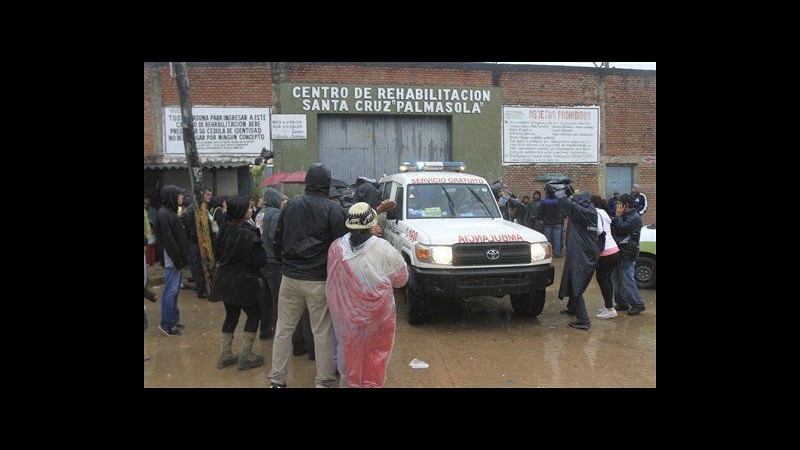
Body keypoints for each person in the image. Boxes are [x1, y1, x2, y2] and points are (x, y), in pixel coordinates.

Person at [268, 163, 348, 388]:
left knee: (284, 329)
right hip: (318, 280)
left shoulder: (290, 205)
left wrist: (285, 264)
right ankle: (323, 381)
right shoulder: (333, 210)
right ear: (327, 184)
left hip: (290, 278)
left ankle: (277, 380)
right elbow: (340, 247)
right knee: (321, 332)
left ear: (307, 182)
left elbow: (278, 239)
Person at [326, 202, 408, 387]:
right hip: (378, 320)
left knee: (351, 356)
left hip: (348, 320)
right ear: (372, 224)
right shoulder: (384, 249)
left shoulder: (336, 248)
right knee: (375, 358)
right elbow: (401, 280)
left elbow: (333, 285)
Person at [212, 196, 268, 370]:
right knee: (254, 314)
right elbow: (260, 260)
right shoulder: (246, 233)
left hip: (224, 280)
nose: (251, 210)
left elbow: (218, 255)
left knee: (231, 315)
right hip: (244, 282)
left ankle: (225, 355)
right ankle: (245, 356)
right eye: (249, 208)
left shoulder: (223, 230)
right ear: (241, 211)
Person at [550, 183, 600, 330]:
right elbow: (570, 206)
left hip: (583, 254)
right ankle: (573, 309)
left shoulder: (587, 213)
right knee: (572, 280)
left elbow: (569, 206)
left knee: (577, 284)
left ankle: (584, 321)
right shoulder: (585, 211)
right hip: (579, 252)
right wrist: (568, 195)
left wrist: (561, 193)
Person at [153, 185, 189, 336]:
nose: (181, 197)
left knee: (174, 292)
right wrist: (178, 260)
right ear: (171, 197)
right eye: (179, 195)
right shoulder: (165, 214)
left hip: (175, 260)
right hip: (172, 261)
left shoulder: (170, 213)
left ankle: (173, 320)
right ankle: (166, 324)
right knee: (170, 292)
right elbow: (169, 241)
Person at [255, 188, 287, 340]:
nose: (282, 204)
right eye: (281, 201)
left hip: (262, 261)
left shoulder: (259, 214)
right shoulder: (275, 214)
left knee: (265, 298)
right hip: (274, 262)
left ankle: (265, 329)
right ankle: (277, 332)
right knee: (277, 300)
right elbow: (277, 237)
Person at [611, 193, 646, 315]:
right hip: (619, 251)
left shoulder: (634, 217)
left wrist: (617, 216)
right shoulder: (625, 216)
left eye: (619, 204)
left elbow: (620, 229)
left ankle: (637, 304)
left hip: (628, 253)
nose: (617, 206)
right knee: (616, 278)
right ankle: (622, 302)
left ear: (625, 205)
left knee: (627, 278)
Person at [590, 195, 621, 319]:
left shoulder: (596, 213)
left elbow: (598, 230)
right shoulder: (603, 212)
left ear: (592, 204)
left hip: (606, 252)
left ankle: (610, 309)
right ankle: (609, 305)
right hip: (613, 249)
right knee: (606, 279)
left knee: (603, 280)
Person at [181, 188, 213, 298]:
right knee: (197, 267)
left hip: (202, 243)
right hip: (195, 243)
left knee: (203, 265)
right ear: (202, 195)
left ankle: (203, 288)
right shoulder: (193, 210)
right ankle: (201, 290)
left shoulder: (202, 208)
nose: (210, 196)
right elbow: (192, 230)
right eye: (208, 194)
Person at [539, 189, 566, 257]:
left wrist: (541, 218)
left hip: (547, 222)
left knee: (548, 239)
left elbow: (541, 211)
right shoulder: (559, 201)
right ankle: (557, 253)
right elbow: (563, 210)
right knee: (557, 239)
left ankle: (548, 254)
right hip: (558, 222)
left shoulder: (544, 201)